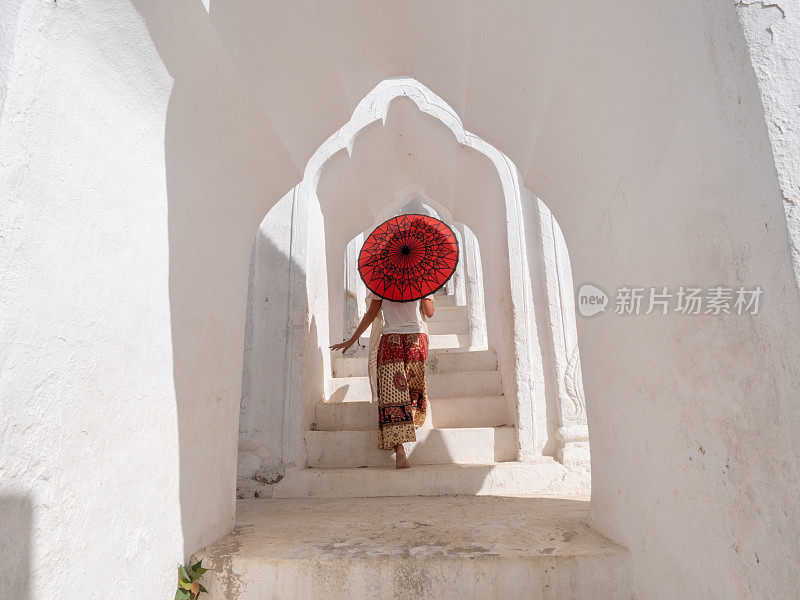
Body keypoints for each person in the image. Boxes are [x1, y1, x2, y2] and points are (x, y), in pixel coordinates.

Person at [330, 291, 435, 468]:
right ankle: (409, 428)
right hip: (415, 340)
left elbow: (372, 313)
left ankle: (399, 449)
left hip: (390, 341)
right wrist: (425, 294)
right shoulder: (420, 280)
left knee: (391, 397)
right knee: (412, 393)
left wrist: (351, 340)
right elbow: (430, 312)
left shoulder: (382, 281)